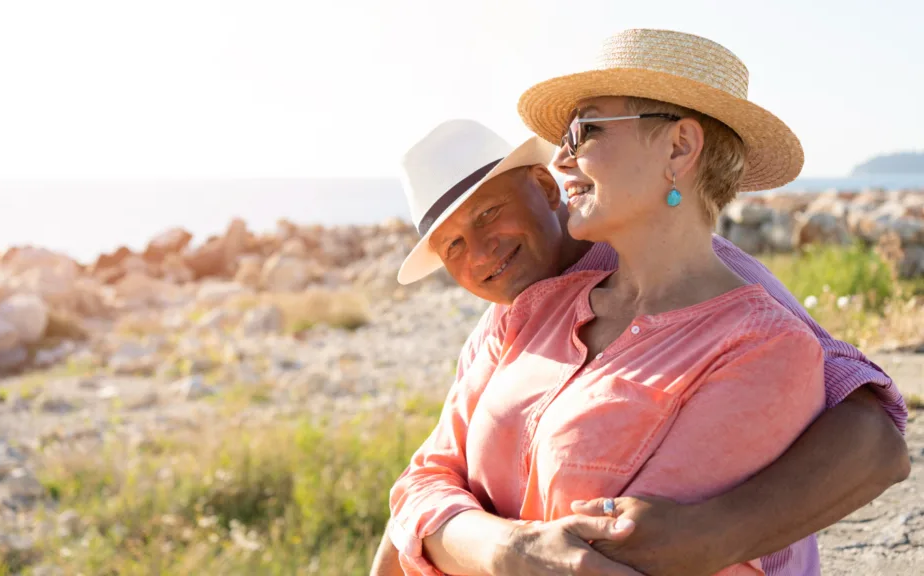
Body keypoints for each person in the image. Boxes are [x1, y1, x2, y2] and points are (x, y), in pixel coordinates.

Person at [372, 29, 908, 576]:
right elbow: (418, 491)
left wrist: (713, 533)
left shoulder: (735, 309)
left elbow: (869, 429)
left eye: (586, 132)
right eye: (452, 245)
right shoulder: (518, 314)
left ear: (544, 187)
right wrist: (506, 550)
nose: (480, 254)